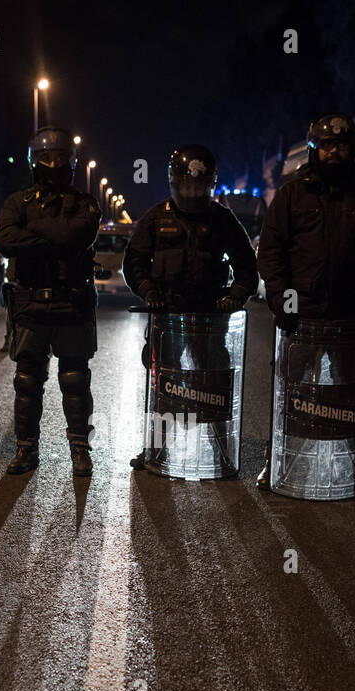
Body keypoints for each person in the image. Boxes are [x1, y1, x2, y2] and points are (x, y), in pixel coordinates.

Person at [255, 113, 355, 488]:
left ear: (351, 149)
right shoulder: (294, 192)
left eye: (341, 146)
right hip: (304, 316)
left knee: (349, 397)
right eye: (327, 146)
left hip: (350, 317)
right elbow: (272, 251)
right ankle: (276, 461)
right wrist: (283, 300)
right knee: (288, 392)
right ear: (315, 149)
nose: (334, 152)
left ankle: (351, 468)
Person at [122, 143, 257, 470]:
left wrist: (234, 298)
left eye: (199, 186)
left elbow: (247, 268)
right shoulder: (156, 217)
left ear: (210, 184)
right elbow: (134, 263)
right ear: (174, 182)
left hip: (210, 319)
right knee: (162, 388)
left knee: (213, 387)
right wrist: (148, 291)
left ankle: (223, 453)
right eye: (187, 185)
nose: (193, 192)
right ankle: (155, 451)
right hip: (167, 316)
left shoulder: (222, 220)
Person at [0, 127, 101, 477]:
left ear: (71, 162)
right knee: (27, 380)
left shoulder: (86, 203)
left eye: (60, 158)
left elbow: (76, 237)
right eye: (46, 158)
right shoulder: (17, 202)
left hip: (72, 303)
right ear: (34, 161)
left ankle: (80, 450)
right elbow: (6, 240)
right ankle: (26, 450)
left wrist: (36, 234)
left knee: (75, 380)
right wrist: (56, 237)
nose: (54, 164)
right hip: (30, 304)